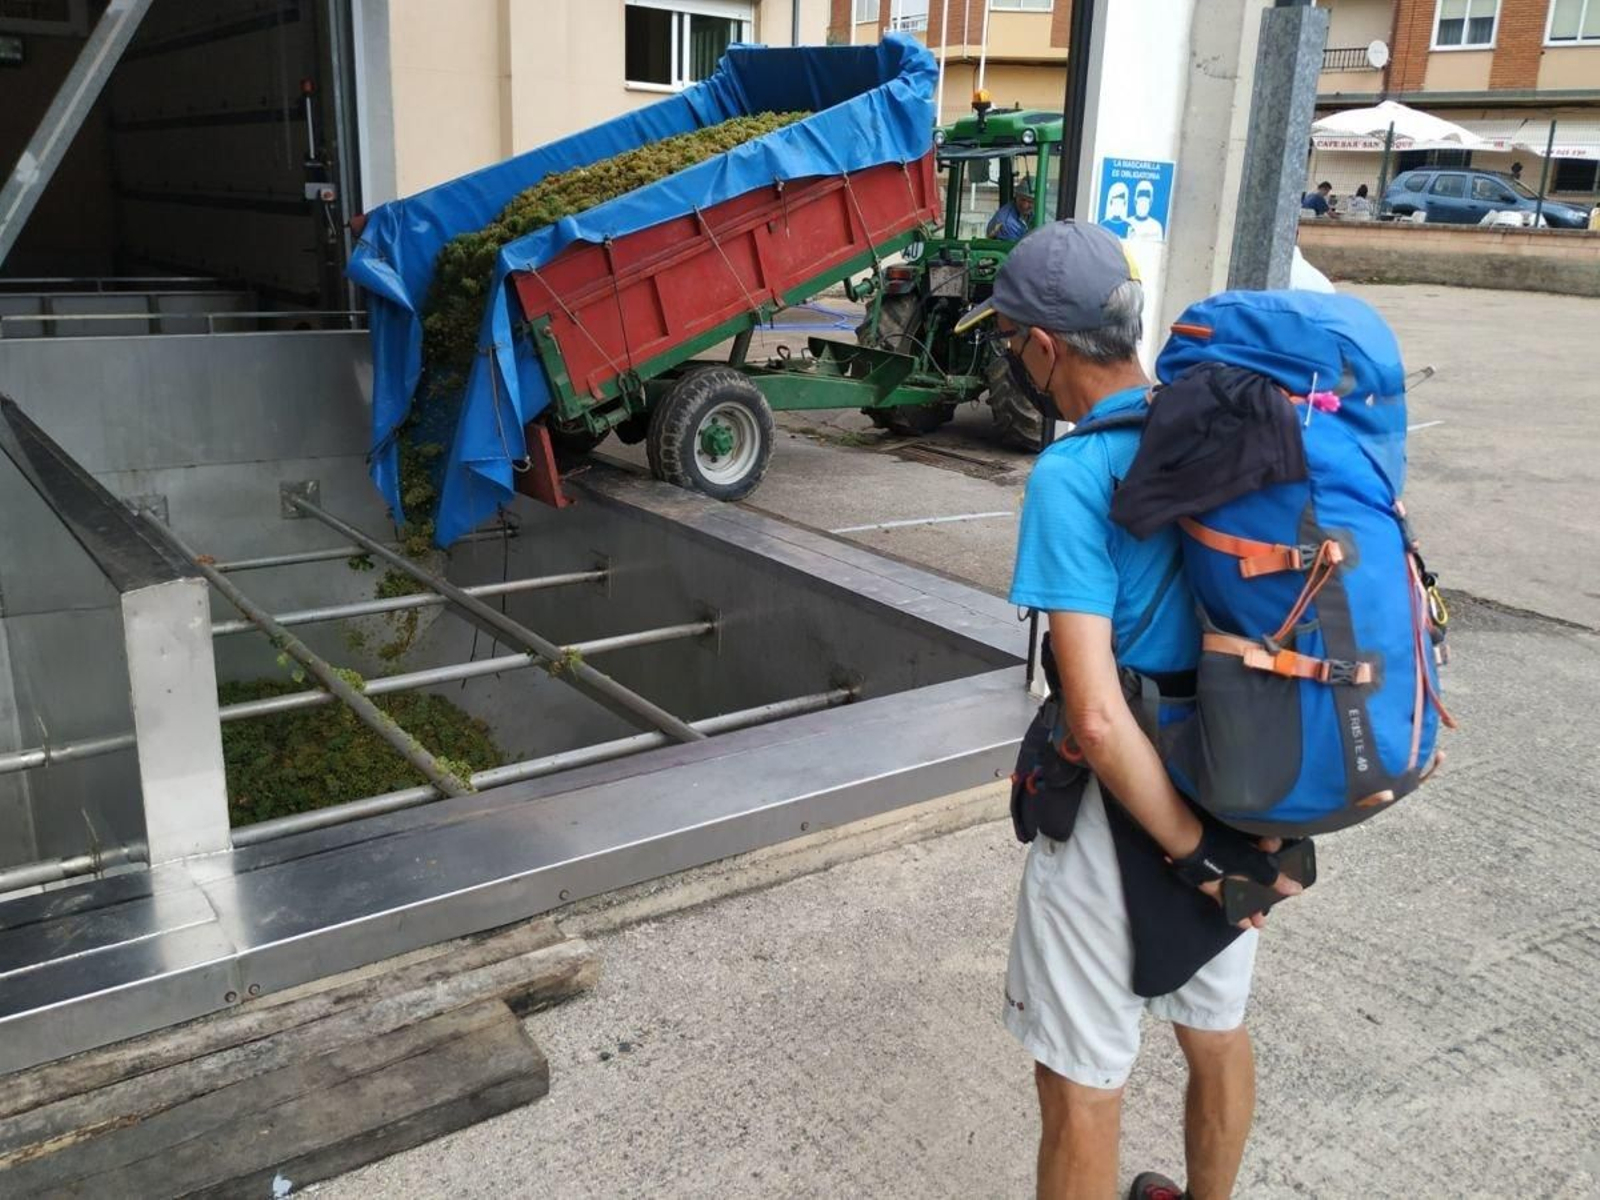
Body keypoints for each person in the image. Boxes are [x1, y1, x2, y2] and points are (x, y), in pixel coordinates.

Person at [954, 221, 1300, 1200]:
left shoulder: (1073, 475)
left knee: (1078, 1088)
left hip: (1131, 812)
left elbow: (1096, 719)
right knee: (1215, 1033)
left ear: (1043, 348)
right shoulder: (1220, 431)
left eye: (1010, 340)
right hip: (1239, 782)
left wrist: (1185, 849)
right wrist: (1223, 854)